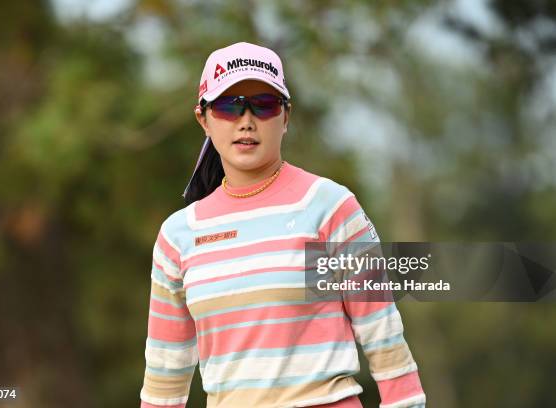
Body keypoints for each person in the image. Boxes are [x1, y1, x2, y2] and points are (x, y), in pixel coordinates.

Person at [139, 42, 426, 408]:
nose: (246, 120)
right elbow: (166, 372)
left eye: (264, 104)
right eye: (229, 106)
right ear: (204, 119)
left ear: (286, 117)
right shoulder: (178, 236)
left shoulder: (329, 206)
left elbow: (382, 333)